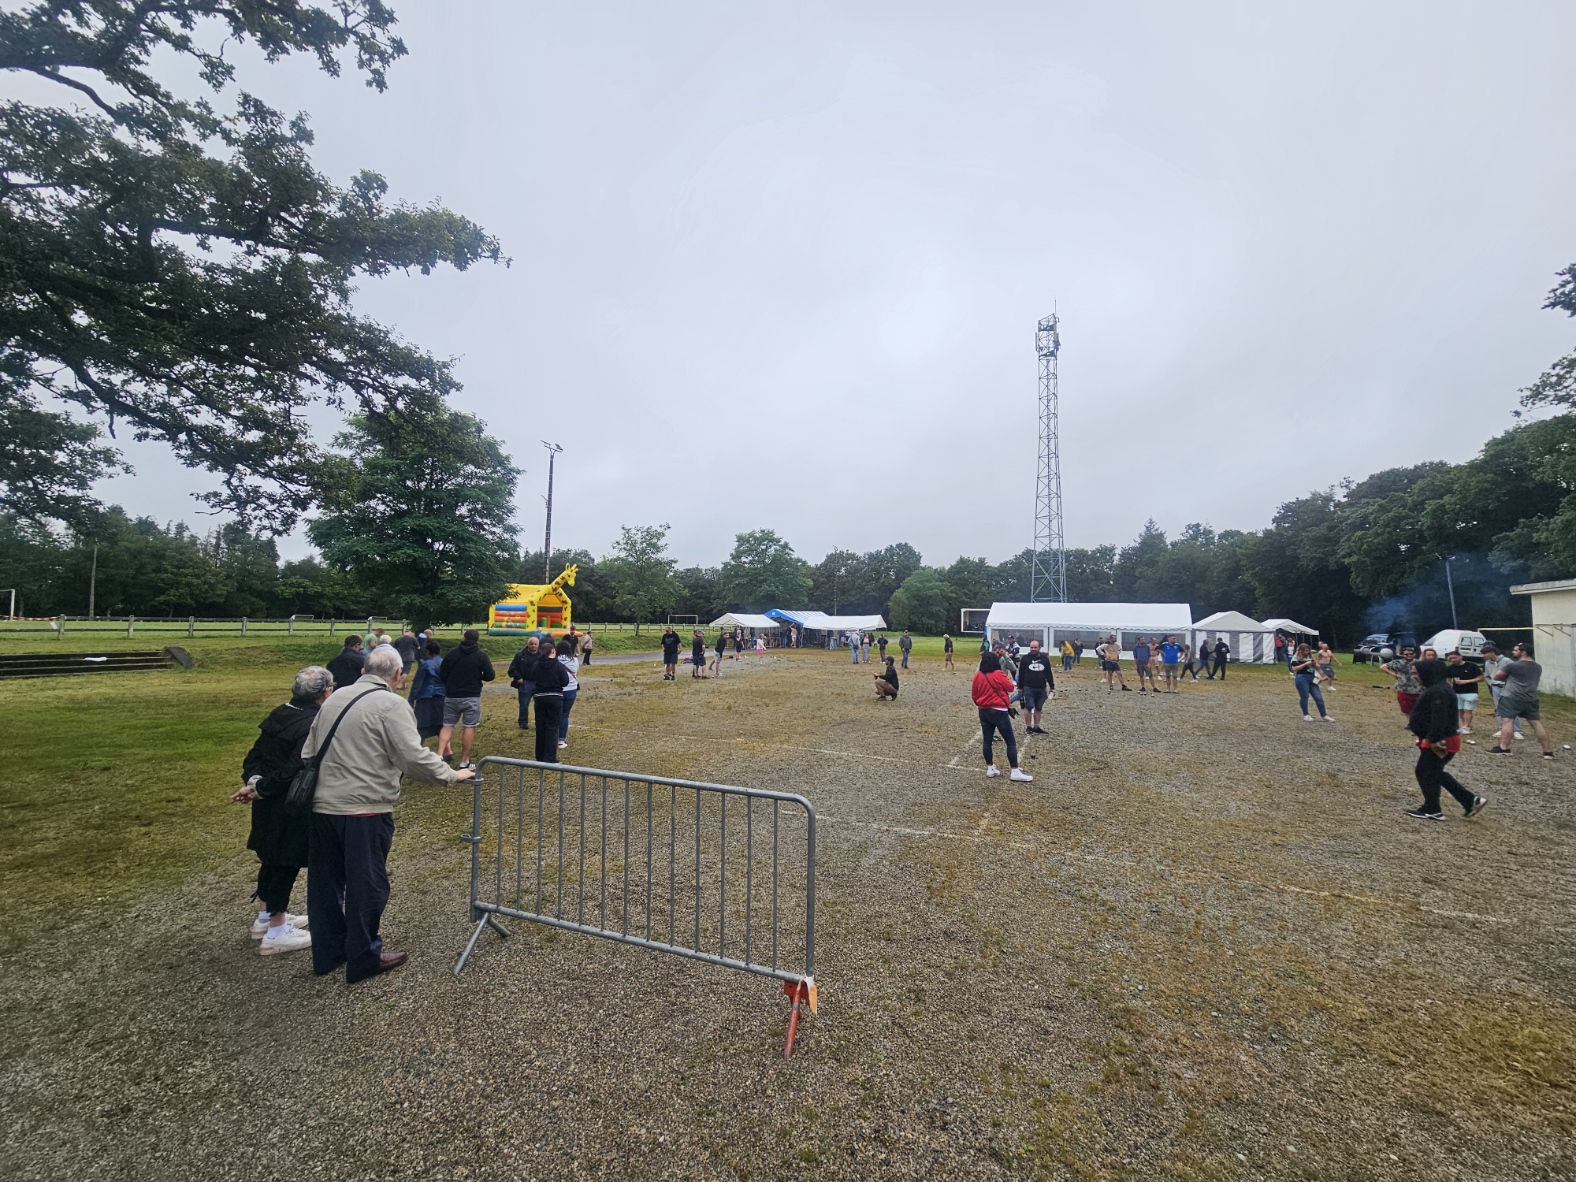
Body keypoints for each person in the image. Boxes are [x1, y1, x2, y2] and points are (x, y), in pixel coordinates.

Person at [304, 645, 473, 982]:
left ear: (365, 668)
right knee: (367, 885)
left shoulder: (333, 699)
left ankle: (328, 953)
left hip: (322, 806)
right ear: (398, 675)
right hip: (364, 808)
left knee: (325, 884)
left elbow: (309, 751)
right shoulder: (392, 705)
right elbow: (412, 757)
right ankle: (364, 957)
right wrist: (451, 775)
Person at [232, 666, 333, 956]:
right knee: (285, 861)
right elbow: (295, 767)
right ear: (325, 693)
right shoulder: (313, 722)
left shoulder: (280, 713)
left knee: (271, 856)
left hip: (268, 799)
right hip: (289, 801)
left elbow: (255, 756)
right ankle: (276, 930)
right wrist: (260, 788)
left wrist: (254, 784)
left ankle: (265, 917)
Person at [1405, 658, 1486, 821]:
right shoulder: (1437, 688)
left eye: (1417, 673)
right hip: (1438, 738)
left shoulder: (1439, 691)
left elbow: (1439, 718)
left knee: (1426, 772)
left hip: (1441, 740)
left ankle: (1433, 809)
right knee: (1432, 772)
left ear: (1428, 673)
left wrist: (1433, 739)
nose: (1416, 676)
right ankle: (1470, 801)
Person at [437, 628, 495, 769]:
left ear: (464, 637)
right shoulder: (481, 655)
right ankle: (464, 761)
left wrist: (450, 682)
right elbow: (490, 675)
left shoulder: (452, 653)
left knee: (447, 725)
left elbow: (442, 672)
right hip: (471, 695)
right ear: (477, 639)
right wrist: (478, 676)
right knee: (469, 727)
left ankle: (438, 755)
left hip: (452, 694)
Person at [972, 652, 1033, 782]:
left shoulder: (978, 676)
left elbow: (974, 695)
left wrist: (981, 704)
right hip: (999, 710)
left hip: (983, 710)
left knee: (987, 740)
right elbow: (1010, 688)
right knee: (1010, 741)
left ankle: (990, 768)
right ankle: (1015, 770)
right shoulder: (998, 674)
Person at [1488, 642, 1555, 758]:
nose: (1513, 652)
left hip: (1512, 697)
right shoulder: (1537, 666)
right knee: (1536, 723)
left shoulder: (1513, 666)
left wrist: (1507, 678)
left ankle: (1504, 747)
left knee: (1507, 721)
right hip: (1531, 698)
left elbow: (1497, 676)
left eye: (1516, 650)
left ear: (1523, 652)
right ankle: (1547, 751)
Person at [1480, 643, 1523, 740]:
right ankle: (1502, 728)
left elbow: (1516, 672)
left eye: (1485, 653)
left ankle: (1517, 730)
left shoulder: (1507, 661)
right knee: (1499, 709)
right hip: (1495, 687)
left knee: (1512, 708)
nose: (1484, 656)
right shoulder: (1487, 663)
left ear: (1492, 652)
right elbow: (1487, 675)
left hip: (1508, 687)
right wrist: (1491, 683)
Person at [408, 640, 446, 742]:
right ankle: (446, 749)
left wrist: (411, 699)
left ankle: (418, 747)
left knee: (421, 725)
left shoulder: (425, 664)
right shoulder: (445, 663)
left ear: (428, 651)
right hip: (442, 695)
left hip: (426, 696)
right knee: (440, 723)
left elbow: (417, 683)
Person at [1017, 638, 1054, 734]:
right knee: (1028, 707)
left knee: (1039, 707)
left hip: (1041, 687)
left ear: (1039, 647)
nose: (1033, 649)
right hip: (1028, 687)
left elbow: (1048, 673)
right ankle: (1028, 727)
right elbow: (1021, 673)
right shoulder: (1025, 658)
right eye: (1031, 647)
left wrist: (1052, 687)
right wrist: (1020, 687)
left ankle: (1036, 726)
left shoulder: (1044, 659)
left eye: (1035, 647)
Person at [1289, 642, 1333, 722]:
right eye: (1305, 650)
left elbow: (1318, 668)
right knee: (1304, 696)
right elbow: (1294, 669)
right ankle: (1306, 715)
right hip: (1301, 678)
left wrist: (1314, 664)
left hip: (1312, 678)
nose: (1307, 652)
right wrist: (1305, 664)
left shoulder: (1310, 657)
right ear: (1301, 650)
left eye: (1308, 650)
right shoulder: (1296, 657)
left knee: (1319, 697)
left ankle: (1324, 715)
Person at [506, 636, 542, 729]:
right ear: (528, 644)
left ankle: (539, 722)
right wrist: (518, 677)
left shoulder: (542, 655)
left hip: (539, 683)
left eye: (535, 644)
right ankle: (523, 722)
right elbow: (512, 668)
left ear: (538, 645)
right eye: (531, 644)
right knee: (524, 704)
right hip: (525, 683)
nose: (533, 646)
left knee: (540, 704)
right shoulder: (520, 655)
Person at [1446, 650, 1481, 734]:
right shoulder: (1450, 668)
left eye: (1454, 657)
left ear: (1460, 657)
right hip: (1457, 691)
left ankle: (1466, 726)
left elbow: (1481, 678)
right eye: (1451, 658)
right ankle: (1465, 725)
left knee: (1468, 709)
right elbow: (1448, 679)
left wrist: (1466, 681)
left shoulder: (1472, 666)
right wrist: (1449, 687)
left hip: (1471, 691)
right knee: (1460, 710)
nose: (1453, 660)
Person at [556, 635, 580, 750]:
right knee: (565, 715)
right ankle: (561, 740)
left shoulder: (555, 660)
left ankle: (553, 737)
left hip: (558, 689)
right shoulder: (575, 660)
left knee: (555, 714)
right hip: (571, 689)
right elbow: (575, 671)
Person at [1384, 646, 1422, 718]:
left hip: (1418, 689)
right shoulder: (1398, 663)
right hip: (1403, 688)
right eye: (1406, 654)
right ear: (1403, 655)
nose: (1409, 655)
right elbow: (1383, 666)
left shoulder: (1419, 663)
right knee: (1406, 709)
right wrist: (1393, 674)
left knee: (1418, 707)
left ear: (1414, 654)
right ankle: (1410, 723)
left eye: (1411, 654)